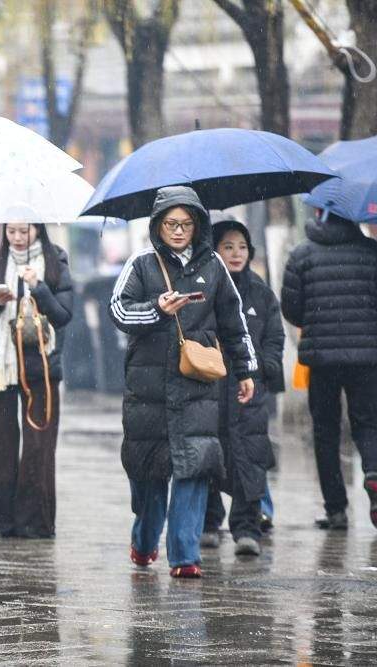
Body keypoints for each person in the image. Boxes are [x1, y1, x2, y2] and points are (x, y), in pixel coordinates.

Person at [109, 186, 257, 579]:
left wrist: (246, 370)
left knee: (194, 469)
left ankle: (185, 556)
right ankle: (144, 542)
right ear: (158, 225)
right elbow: (119, 311)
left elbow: (234, 322)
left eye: (186, 224)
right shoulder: (141, 263)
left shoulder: (214, 266)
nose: (178, 231)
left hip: (197, 388)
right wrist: (156, 309)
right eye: (171, 224)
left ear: (198, 226)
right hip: (149, 391)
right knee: (149, 475)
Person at [281, 209, 377, 530]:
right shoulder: (373, 252)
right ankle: (374, 473)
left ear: (318, 212)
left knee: (325, 431)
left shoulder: (301, 254)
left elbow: (291, 310)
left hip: (321, 358)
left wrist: (317, 320)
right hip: (364, 356)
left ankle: (336, 509)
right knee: (367, 424)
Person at [0, 207, 73, 539]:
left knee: (39, 444)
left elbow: (64, 315)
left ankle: (34, 521)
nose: (18, 238)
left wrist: (39, 288)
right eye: (11, 232)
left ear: (38, 229)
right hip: (0, 367)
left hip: (41, 366)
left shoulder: (55, 263)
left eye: (25, 231)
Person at [200, 218, 284, 556]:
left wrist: (264, 367)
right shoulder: (204, 290)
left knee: (250, 456)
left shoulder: (260, 293)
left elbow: (274, 336)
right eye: (228, 246)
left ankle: (247, 529)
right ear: (215, 251)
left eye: (242, 247)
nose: (236, 253)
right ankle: (208, 523)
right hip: (212, 387)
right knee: (209, 455)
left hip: (249, 390)